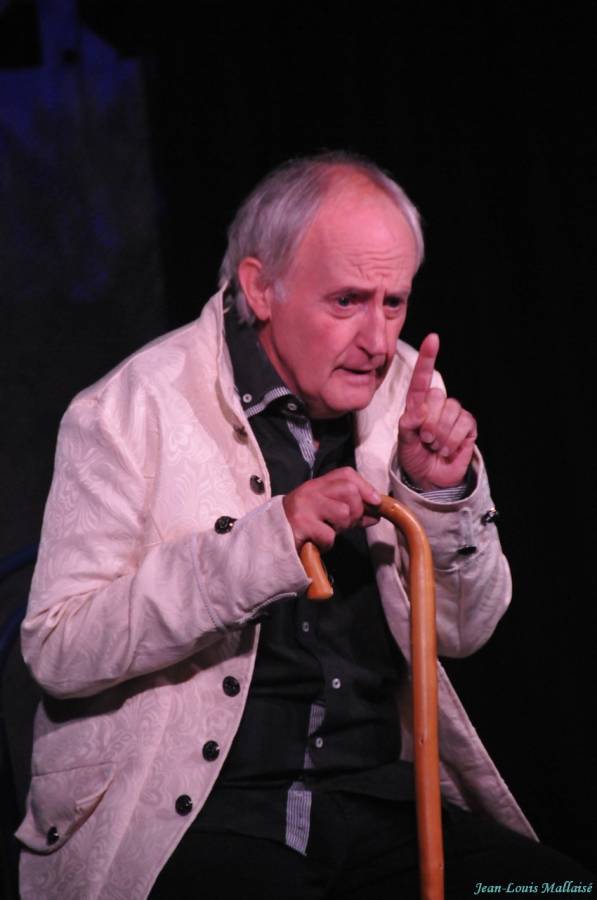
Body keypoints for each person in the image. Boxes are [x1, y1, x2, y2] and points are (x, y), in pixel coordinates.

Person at [17, 153, 593, 899]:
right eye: (347, 301)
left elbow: (462, 631)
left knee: (555, 893)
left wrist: (439, 496)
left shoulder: (407, 391)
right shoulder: (129, 410)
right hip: (195, 816)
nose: (378, 340)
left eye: (394, 303)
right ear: (261, 288)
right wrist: (265, 543)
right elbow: (59, 649)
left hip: (377, 802)